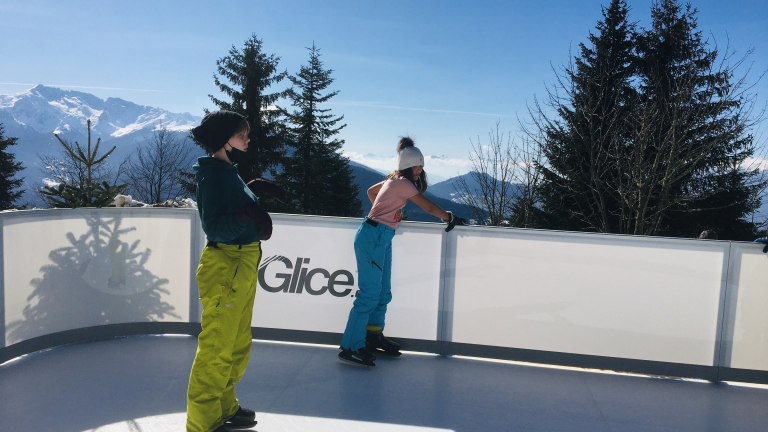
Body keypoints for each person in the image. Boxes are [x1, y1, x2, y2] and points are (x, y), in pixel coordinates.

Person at [186, 111, 281, 432]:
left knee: (237, 342)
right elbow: (215, 227)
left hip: (242, 262)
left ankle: (225, 405)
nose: (248, 139)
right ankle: (202, 422)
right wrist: (246, 212)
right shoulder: (213, 174)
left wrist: (251, 189)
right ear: (224, 137)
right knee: (216, 346)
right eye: (242, 134)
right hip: (226, 264)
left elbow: (230, 201)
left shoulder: (227, 169)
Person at [339, 137, 465, 367]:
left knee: (383, 292)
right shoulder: (403, 183)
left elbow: (370, 192)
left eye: (421, 166)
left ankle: (372, 336)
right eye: (417, 166)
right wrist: (449, 217)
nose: (420, 170)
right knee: (369, 295)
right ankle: (350, 346)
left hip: (381, 236)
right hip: (373, 237)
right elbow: (427, 206)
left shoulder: (393, 180)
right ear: (408, 164)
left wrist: (389, 211)